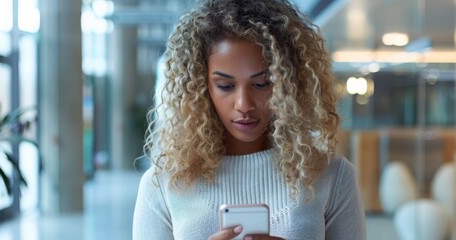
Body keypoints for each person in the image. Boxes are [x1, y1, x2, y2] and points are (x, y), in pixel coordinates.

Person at [132, 0, 366, 239]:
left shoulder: (332, 176)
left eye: (262, 84)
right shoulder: (162, 184)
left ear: (289, 85)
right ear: (202, 87)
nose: (243, 104)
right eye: (225, 85)